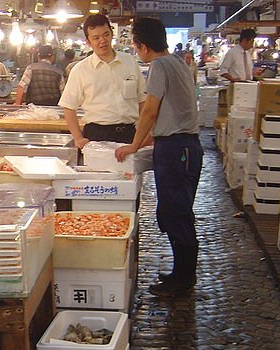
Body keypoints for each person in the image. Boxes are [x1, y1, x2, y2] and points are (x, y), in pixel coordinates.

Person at [115, 18, 203, 297]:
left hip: (176, 150)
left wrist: (134, 144)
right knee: (176, 211)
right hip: (184, 147)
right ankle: (181, 273)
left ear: (141, 45)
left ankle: (184, 279)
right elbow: (175, 109)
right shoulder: (177, 62)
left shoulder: (158, 66)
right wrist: (153, 137)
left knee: (176, 213)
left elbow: (150, 110)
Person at [59, 13, 146, 148]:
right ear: (88, 41)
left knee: (129, 170)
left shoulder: (129, 62)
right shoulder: (80, 70)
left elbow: (142, 100)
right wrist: (78, 138)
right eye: (96, 37)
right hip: (97, 135)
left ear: (112, 34)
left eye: (106, 34)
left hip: (129, 134)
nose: (102, 40)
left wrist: (144, 132)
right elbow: (69, 107)